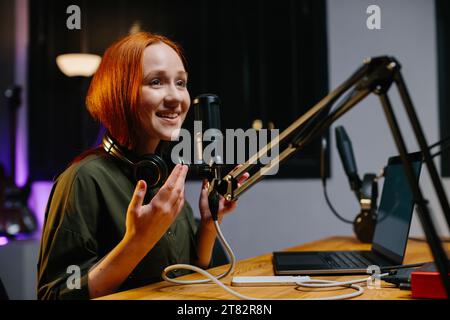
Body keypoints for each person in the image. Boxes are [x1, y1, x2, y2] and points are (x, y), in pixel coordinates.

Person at [37, 32, 247, 300]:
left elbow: (188, 275)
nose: (176, 97)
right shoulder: (83, 179)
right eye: (156, 82)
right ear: (119, 93)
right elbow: (54, 296)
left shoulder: (163, 173)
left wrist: (207, 224)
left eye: (181, 83)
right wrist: (138, 241)